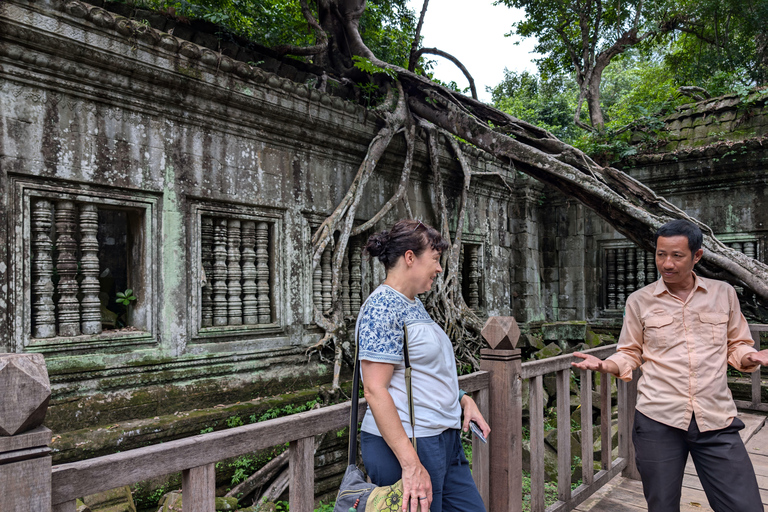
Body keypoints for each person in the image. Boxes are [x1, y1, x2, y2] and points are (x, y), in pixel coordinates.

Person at [572, 219, 768, 512]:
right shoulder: (640, 301)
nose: (667, 263)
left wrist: (750, 356)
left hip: (715, 418)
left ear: (696, 256)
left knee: (745, 507)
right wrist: (606, 365)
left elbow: (737, 344)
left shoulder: (723, 293)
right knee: (662, 506)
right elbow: (629, 351)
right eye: (661, 254)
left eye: (677, 255)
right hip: (658, 420)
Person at [356, 219, 490, 512]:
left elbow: (424, 370)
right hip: (410, 444)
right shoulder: (382, 307)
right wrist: (411, 464)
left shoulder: (413, 303)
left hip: (444, 436)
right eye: (436, 259)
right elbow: (375, 389)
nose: (440, 269)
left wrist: (461, 397)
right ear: (409, 258)